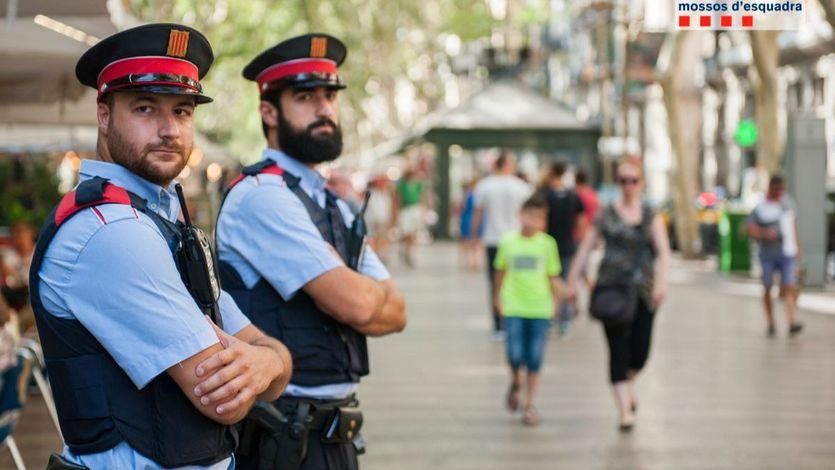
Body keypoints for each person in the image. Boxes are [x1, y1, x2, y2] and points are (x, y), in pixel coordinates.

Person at [30, 24, 292, 469]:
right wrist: (266, 362)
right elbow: (223, 401)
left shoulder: (161, 220)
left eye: (184, 111)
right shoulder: (111, 231)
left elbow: (272, 357)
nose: (170, 130)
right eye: (146, 108)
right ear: (104, 115)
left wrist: (267, 363)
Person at [216, 34, 407, 470]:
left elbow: (397, 312)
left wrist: (342, 281)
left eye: (329, 96)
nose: (324, 109)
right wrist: (352, 288)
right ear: (269, 111)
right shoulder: (263, 197)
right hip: (281, 437)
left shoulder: (331, 202)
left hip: (332, 433)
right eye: (305, 97)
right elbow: (360, 304)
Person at [566, 159, 670, 432]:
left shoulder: (650, 214)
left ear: (641, 183)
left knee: (641, 352)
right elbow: (585, 248)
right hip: (611, 289)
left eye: (633, 180)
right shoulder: (605, 214)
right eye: (623, 180)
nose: (628, 186)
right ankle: (624, 410)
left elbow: (664, 252)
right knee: (617, 351)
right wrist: (572, 284)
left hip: (643, 292)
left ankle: (627, 384)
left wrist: (662, 283)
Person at [493, 196, 561, 426]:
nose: (532, 221)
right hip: (513, 306)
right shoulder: (508, 242)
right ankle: (515, 381)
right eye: (528, 215)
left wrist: (557, 305)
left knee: (534, 357)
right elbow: (499, 272)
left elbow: (553, 276)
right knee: (514, 353)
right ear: (520, 215)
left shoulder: (547, 244)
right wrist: (497, 299)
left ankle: (529, 404)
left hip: (540, 308)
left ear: (543, 221)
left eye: (538, 217)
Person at [472, 150, 532, 339]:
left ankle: (499, 324)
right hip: (516, 241)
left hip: (494, 240)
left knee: (495, 282)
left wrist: (473, 236)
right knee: (516, 280)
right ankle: (513, 321)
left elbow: (478, 213)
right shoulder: (522, 187)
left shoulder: (485, 186)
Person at [747, 174, 803, 337]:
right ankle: (771, 322)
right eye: (776, 189)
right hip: (768, 254)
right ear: (770, 188)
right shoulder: (761, 207)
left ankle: (792, 321)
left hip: (787, 253)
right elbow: (749, 229)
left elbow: (792, 226)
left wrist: (798, 247)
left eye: (781, 189)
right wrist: (764, 233)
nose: (778, 192)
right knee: (767, 287)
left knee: (790, 285)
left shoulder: (787, 204)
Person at [537, 160, 585, 337]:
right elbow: (581, 222)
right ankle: (564, 320)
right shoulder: (573, 195)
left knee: (547, 283)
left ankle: (549, 320)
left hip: (545, 245)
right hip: (567, 245)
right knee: (564, 282)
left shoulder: (543, 194)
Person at [396, 167, 426, 267]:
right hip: (405, 210)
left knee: (414, 233)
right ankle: (405, 250)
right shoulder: (402, 185)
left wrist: (423, 210)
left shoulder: (418, 185)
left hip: (415, 209)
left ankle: (411, 254)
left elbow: (422, 197)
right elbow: (398, 198)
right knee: (406, 233)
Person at [366, 175, 396, 263]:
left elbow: (391, 206)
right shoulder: (371, 192)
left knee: (384, 238)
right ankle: (377, 255)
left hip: (384, 219)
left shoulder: (388, 193)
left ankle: (381, 255)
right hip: (373, 220)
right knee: (375, 238)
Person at [457, 179, 482, 271]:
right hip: (468, 218)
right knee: (467, 240)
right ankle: (468, 260)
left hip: (475, 218)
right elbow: (461, 207)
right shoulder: (468, 195)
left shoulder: (478, 195)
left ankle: (475, 261)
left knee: (476, 241)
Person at [574, 169, 599, 240]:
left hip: (579, 235)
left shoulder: (576, 195)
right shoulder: (593, 194)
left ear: (576, 179)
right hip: (592, 232)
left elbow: (581, 218)